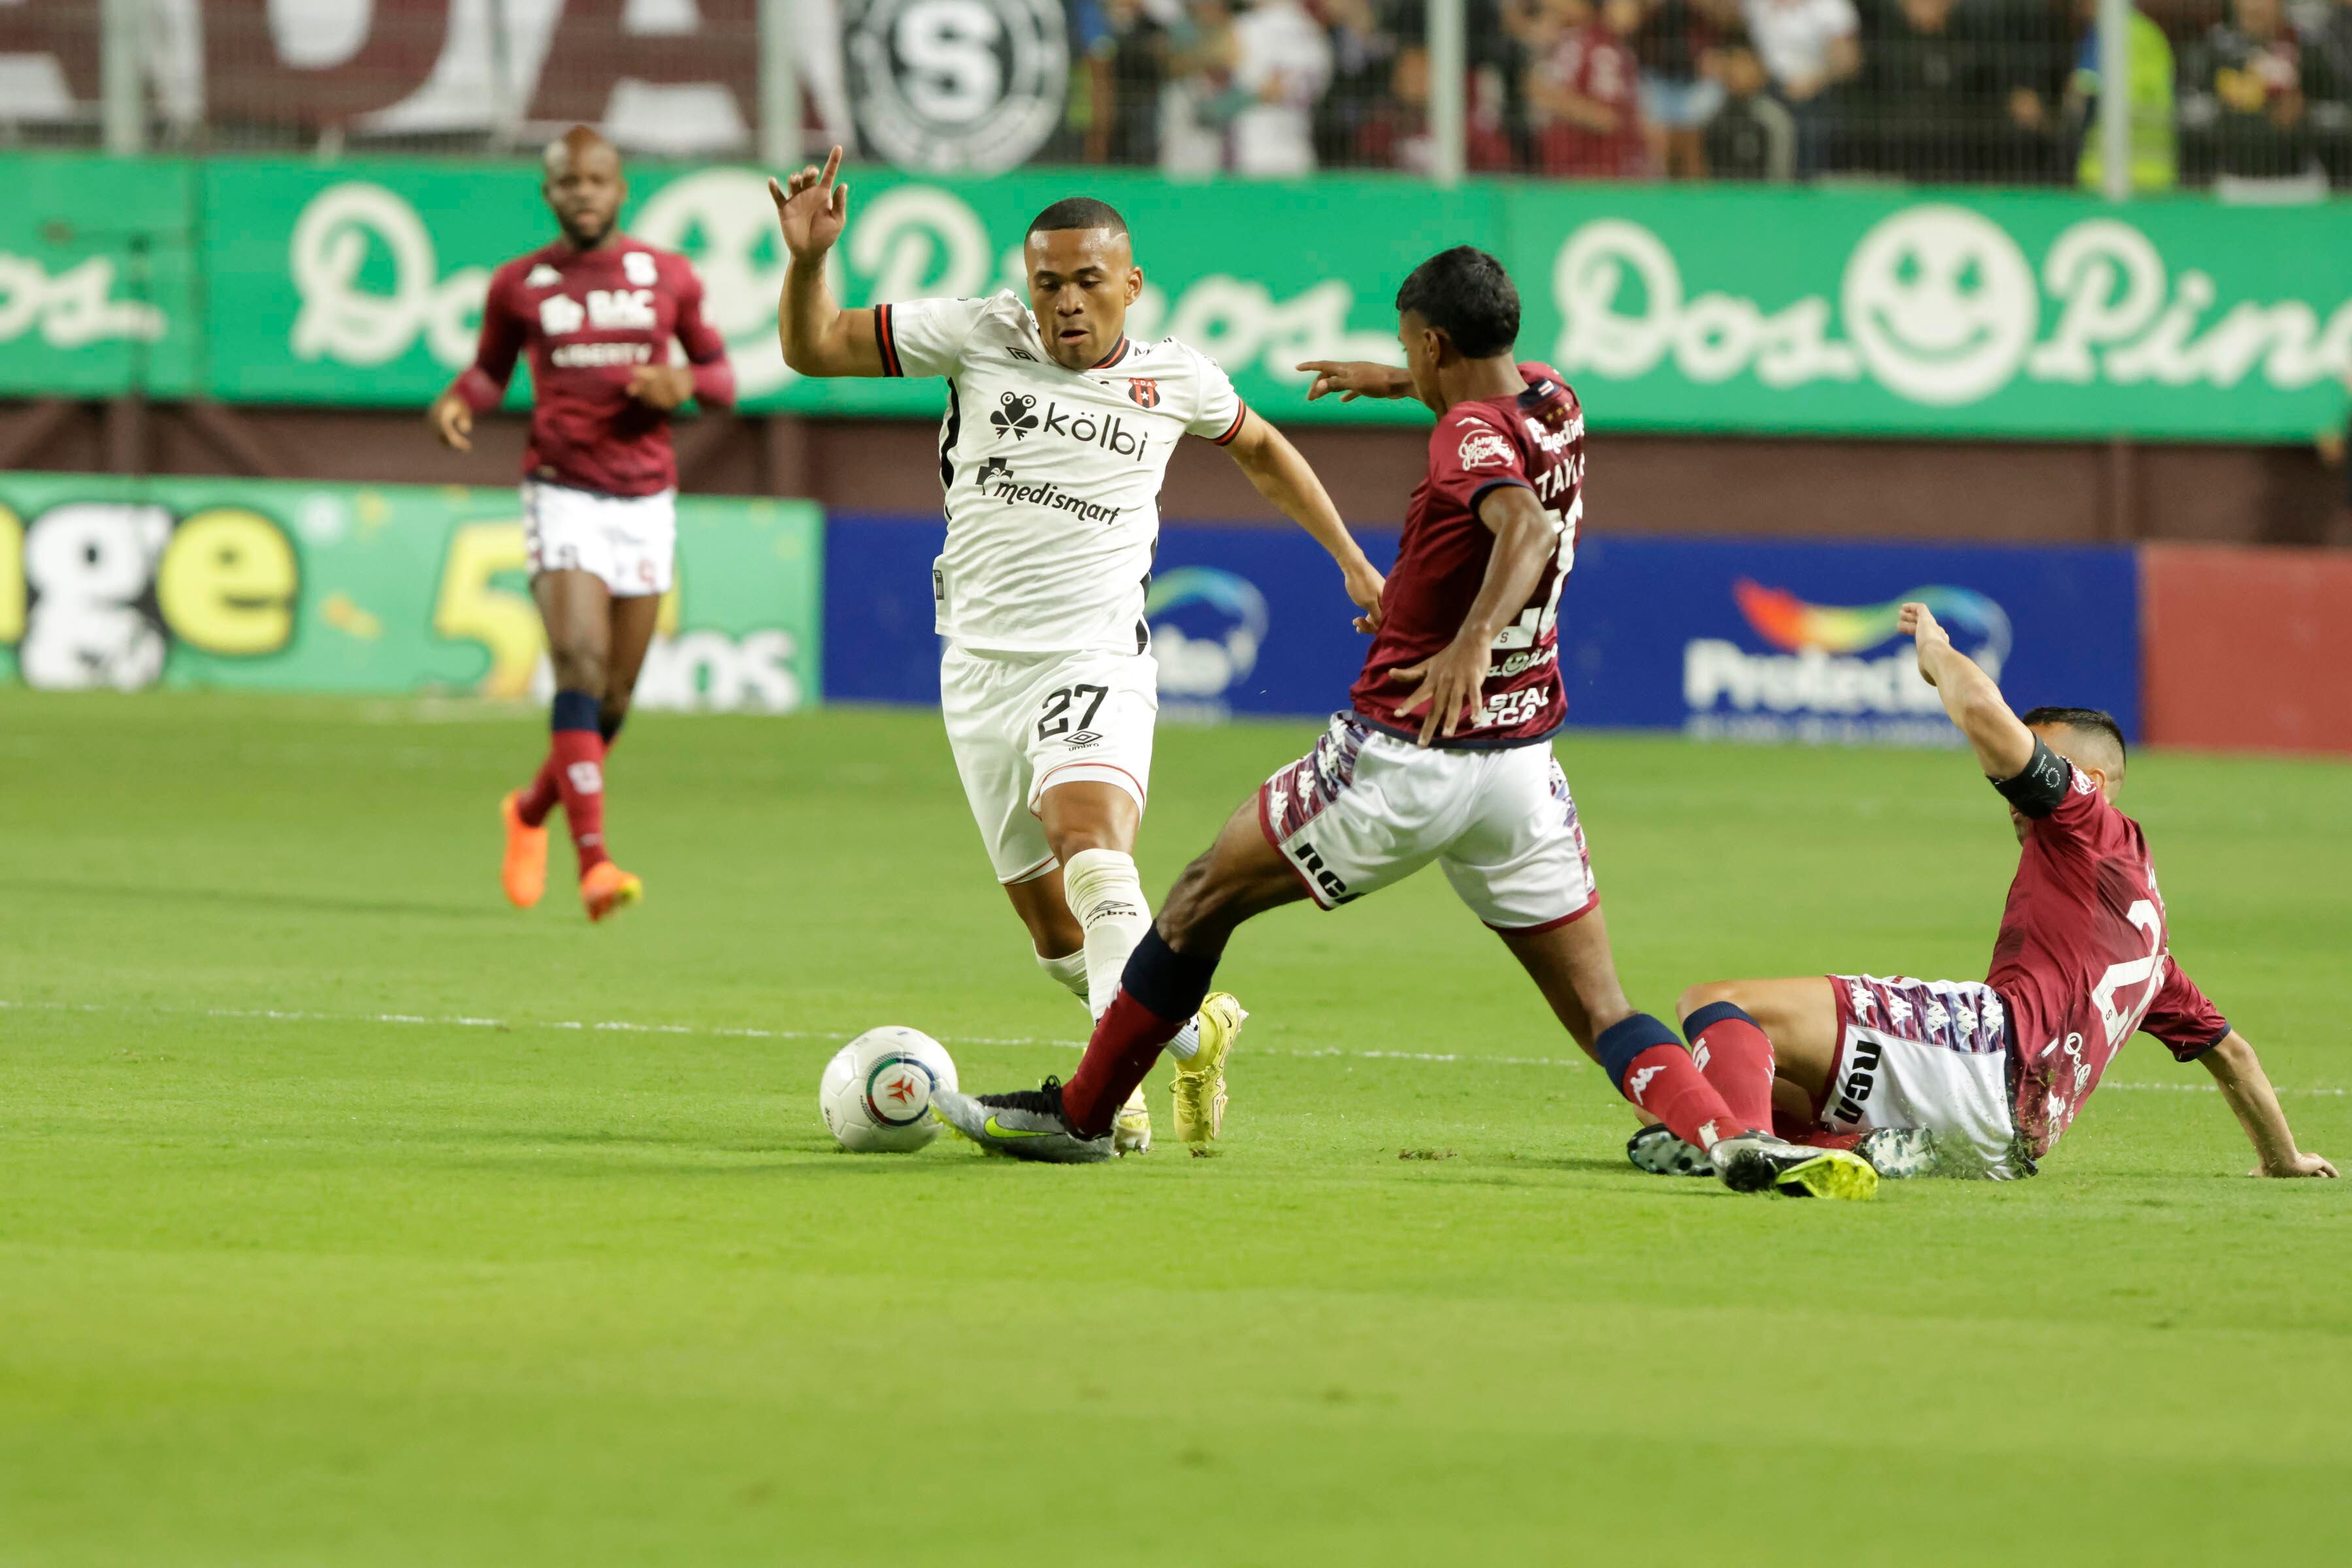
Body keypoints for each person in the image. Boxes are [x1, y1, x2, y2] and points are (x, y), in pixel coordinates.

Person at [932, 245, 1879, 1202]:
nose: (1406, 365)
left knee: (1194, 905)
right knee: (1602, 1007)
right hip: (1520, 771)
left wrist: (1470, 641)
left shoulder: (1468, 435)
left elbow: (1525, 526)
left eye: (1406, 349)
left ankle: (1084, 1117)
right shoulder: (1554, 400)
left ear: (1436, 343)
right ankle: (1728, 1135)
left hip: (1404, 756)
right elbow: (1490, 427)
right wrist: (1392, 384)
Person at [771, 148, 1385, 1153]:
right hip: (975, 670)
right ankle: (1195, 1039)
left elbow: (1264, 448)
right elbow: (816, 347)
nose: (1064, 303)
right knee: (1057, 935)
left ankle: (1094, 1104)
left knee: (1091, 848)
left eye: (1088, 283)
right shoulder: (976, 334)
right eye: (1047, 281)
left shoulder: (1175, 378)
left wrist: (1354, 563)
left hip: (1092, 658)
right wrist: (806, 263)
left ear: (1130, 286)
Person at [1638, 602, 2336, 1183]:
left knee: (1714, 1006)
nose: (2014, 786)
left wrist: (1936, 652)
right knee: (1694, 1091)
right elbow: (2232, 1055)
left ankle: (1749, 1153)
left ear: (2087, 779)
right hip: (2008, 1145)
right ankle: (1853, 1149)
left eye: (2043, 756)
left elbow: (1977, 706)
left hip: (1983, 1055)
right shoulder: (2152, 954)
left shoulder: (2086, 822)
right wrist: (2284, 1161)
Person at [427, 126, 734, 924]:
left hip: (645, 499)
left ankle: (529, 809)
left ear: (620, 186)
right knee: (579, 661)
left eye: (597, 179)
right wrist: (461, 399)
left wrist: (682, 382)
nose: (583, 193)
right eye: (568, 182)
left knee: (613, 702)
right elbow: (491, 374)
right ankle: (594, 863)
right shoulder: (520, 284)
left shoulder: (668, 276)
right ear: (549, 193)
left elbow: (723, 380)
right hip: (561, 491)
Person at [1527, 0, 1657, 178]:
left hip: (1608, 169)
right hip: (1583, 167)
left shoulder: (1619, 51)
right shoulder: (1588, 46)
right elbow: (1540, 91)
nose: (1634, 13)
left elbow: (1615, 117)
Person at [1705, 28, 1799, 178]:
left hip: (1765, 198)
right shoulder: (1712, 118)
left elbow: (1780, 178)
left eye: (1743, 64)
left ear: (1759, 71)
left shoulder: (1773, 120)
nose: (1735, 72)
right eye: (1731, 64)